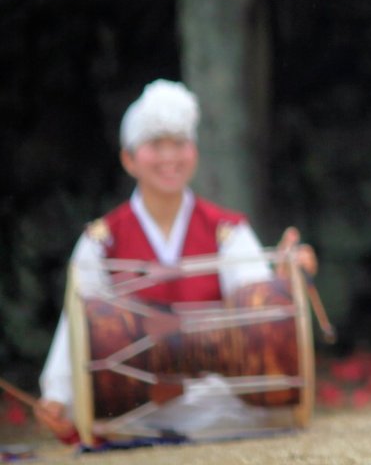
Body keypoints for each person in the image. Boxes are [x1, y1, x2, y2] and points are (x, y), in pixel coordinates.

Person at [35, 80, 317, 444]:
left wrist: (279, 285)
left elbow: (257, 313)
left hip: (220, 403)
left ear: (194, 153)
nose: (170, 158)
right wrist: (58, 395)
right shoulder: (101, 241)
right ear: (129, 159)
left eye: (179, 144)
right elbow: (75, 322)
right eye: (156, 146)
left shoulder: (226, 231)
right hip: (134, 407)